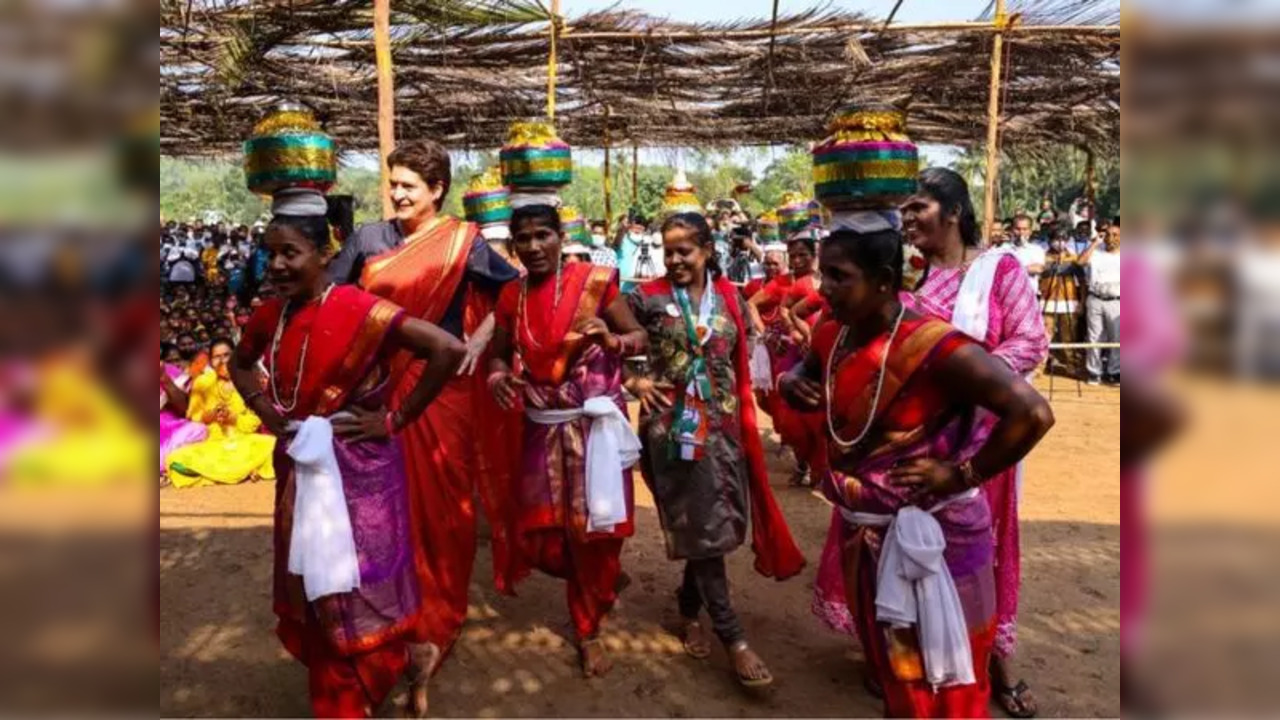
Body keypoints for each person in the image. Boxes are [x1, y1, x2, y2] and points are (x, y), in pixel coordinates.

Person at [779, 227, 1055, 719]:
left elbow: (1033, 414)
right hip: (868, 540)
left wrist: (963, 475)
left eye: (838, 276)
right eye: (823, 273)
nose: (822, 288)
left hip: (939, 548)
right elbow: (806, 366)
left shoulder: (935, 348)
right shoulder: (832, 331)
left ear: (885, 280)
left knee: (950, 686)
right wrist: (791, 380)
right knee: (899, 677)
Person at [232, 193, 467, 718]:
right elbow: (240, 364)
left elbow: (446, 349)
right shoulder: (269, 315)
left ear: (324, 251)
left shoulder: (364, 310)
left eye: (290, 252)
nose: (277, 265)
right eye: (270, 254)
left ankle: (363, 688)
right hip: (298, 469)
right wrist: (264, 410)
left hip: (362, 478)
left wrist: (395, 419)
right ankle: (402, 662)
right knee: (316, 590)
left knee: (360, 589)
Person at [328, 140, 521, 692]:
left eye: (409, 185)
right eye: (392, 183)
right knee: (379, 511)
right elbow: (335, 300)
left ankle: (432, 623)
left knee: (444, 513)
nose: (397, 194)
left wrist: (478, 342)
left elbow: (513, 292)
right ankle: (383, 618)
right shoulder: (369, 239)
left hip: (441, 395)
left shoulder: (465, 241)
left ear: (437, 190)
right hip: (376, 392)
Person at [626, 212, 805, 690]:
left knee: (712, 525)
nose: (675, 258)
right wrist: (634, 379)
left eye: (685, 249)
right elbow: (604, 341)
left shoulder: (730, 297)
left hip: (725, 431)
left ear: (707, 249)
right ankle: (734, 637)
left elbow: (741, 360)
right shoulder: (646, 296)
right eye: (669, 250)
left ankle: (688, 611)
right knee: (704, 524)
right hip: (672, 433)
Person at [900, 168, 1047, 718]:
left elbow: (1030, 341)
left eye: (920, 207)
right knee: (917, 552)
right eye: (905, 210)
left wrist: (964, 382)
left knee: (978, 559)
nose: (908, 217)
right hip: (918, 442)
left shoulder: (996, 269)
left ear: (955, 212)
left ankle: (994, 666)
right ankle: (919, 665)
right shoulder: (907, 282)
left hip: (984, 442)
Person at [487, 203, 649, 678]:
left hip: (593, 429)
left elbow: (639, 336)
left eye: (543, 236)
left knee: (592, 535)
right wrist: (497, 376)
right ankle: (602, 584)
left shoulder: (596, 283)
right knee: (540, 540)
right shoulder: (509, 297)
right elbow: (498, 357)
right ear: (514, 245)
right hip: (541, 427)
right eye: (524, 239)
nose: (534, 247)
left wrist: (614, 340)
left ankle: (588, 629)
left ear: (562, 236)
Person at [749, 235, 824, 486]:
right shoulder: (792, 284)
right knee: (790, 415)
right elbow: (783, 309)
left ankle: (818, 470)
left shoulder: (830, 280)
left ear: (816, 255)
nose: (798, 260)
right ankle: (802, 460)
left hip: (826, 352)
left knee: (821, 414)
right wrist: (785, 333)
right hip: (793, 352)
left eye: (804, 254)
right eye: (794, 256)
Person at [165, 338, 277, 488]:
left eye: (226, 355)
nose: (222, 360)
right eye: (216, 357)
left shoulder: (248, 380)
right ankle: (243, 470)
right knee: (176, 459)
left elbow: (256, 419)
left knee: (273, 446)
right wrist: (208, 416)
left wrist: (234, 418)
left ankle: (217, 473)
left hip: (244, 441)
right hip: (214, 444)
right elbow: (193, 417)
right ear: (210, 361)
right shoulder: (202, 382)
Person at [1079, 218, 1121, 385]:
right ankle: (1094, 371)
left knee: (1117, 338)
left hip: (1117, 301)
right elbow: (1080, 262)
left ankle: (1114, 371)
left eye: (1116, 235)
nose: (1111, 238)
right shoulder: (1096, 253)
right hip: (1095, 299)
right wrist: (1095, 242)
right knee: (1094, 337)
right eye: (1108, 235)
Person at [1040, 228, 1083, 376]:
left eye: (1063, 239)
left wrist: (1081, 301)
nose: (1060, 242)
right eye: (1056, 238)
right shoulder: (1042, 257)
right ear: (1050, 240)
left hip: (1069, 300)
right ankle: (1040, 365)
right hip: (1048, 299)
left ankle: (1071, 364)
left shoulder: (1073, 258)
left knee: (1069, 334)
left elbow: (1082, 281)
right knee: (1045, 334)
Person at [159, 351, 209, 479]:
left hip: (171, 427)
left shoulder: (171, 371)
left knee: (198, 430)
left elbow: (183, 409)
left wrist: (164, 378)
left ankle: (172, 465)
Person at [1009, 214, 1047, 294]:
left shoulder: (1036, 250)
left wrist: (1012, 270)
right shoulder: (1004, 249)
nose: (1021, 232)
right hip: (1009, 295)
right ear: (1012, 230)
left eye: (1025, 229)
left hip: (1030, 295)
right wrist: (1027, 268)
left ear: (1030, 231)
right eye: (1017, 229)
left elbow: (1038, 268)